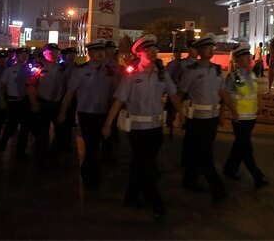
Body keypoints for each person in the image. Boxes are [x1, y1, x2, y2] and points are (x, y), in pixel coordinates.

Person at [102, 35, 181, 218]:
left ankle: (131, 196)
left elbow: (174, 94)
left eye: (155, 48)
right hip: (137, 129)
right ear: (139, 53)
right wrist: (107, 124)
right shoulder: (132, 76)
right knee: (146, 165)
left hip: (155, 127)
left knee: (141, 164)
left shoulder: (163, 74)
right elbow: (119, 100)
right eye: (148, 49)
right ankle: (156, 202)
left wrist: (181, 113)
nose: (154, 51)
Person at [178, 32, 236, 204]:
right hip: (197, 118)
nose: (211, 50)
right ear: (200, 50)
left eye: (212, 47)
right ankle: (217, 188)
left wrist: (229, 110)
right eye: (207, 47)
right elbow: (181, 93)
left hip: (211, 118)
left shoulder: (217, 70)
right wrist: (178, 114)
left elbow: (222, 92)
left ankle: (189, 181)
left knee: (199, 152)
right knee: (205, 155)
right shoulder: (191, 71)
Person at [59, 39, 118, 190]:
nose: (101, 54)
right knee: (91, 147)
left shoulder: (109, 71)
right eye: (97, 51)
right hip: (86, 114)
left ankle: (90, 174)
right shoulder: (81, 70)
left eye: (102, 51)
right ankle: (90, 178)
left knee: (96, 146)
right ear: (90, 53)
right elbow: (70, 92)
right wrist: (63, 111)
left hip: (103, 113)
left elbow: (113, 93)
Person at [220, 43, 269, 189]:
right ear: (238, 59)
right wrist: (228, 112)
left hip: (251, 118)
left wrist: (263, 108)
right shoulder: (234, 76)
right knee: (246, 148)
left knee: (239, 146)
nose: (249, 59)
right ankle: (257, 176)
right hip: (239, 118)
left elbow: (256, 95)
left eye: (249, 56)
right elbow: (226, 96)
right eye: (245, 56)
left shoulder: (253, 74)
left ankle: (230, 169)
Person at [27, 43, 68, 168]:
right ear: (45, 53)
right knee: (42, 135)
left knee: (62, 133)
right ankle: (40, 161)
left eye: (56, 52)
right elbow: (31, 86)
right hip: (43, 104)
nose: (55, 54)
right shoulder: (37, 68)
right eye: (51, 52)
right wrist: (34, 103)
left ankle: (53, 155)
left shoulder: (62, 68)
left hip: (57, 104)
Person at [0, 47, 32, 157]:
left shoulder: (30, 70)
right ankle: (2, 145)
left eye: (26, 54)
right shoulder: (9, 70)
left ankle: (20, 151)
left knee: (25, 127)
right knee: (11, 126)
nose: (25, 56)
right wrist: (2, 100)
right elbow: (2, 86)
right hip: (13, 102)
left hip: (25, 101)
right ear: (17, 56)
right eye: (22, 54)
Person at [178, 40, 198, 166]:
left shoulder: (200, 65)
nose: (196, 51)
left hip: (197, 102)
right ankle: (186, 160)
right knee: (190, 134)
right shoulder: (184, 65)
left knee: (193, 135)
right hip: (187, 100)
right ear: (189, 49)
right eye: (194, 49)